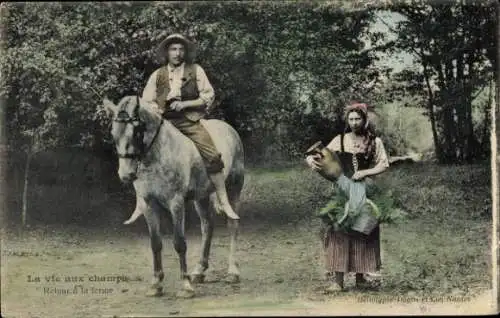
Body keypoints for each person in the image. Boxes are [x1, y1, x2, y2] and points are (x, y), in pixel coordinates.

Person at [141, 33, 239, 220]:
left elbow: (208, 95)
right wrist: (157, 109)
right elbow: (147, 101)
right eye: (173, 49)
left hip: (189, 120)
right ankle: (141, 199)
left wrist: (185, 104)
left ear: (185, 52)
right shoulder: (158, 74)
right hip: (164, 123)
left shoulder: (196, 70)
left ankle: (223, 199)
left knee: (212, 153)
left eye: (180, 49)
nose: (177, 53)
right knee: (139, 151)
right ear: (167, 52)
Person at [306, 102, 390, 292]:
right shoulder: (340, 139)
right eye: (351, 119)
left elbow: (384, 165)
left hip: (365, 189)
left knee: (363, 230)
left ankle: (361, 278)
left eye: (357, 119)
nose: (354, 123)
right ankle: (338, 281)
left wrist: (365, 172)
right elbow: (320, 154)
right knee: (339, 230)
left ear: (364, 119)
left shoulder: (375, 141)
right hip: (343, 190)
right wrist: (311, 160)